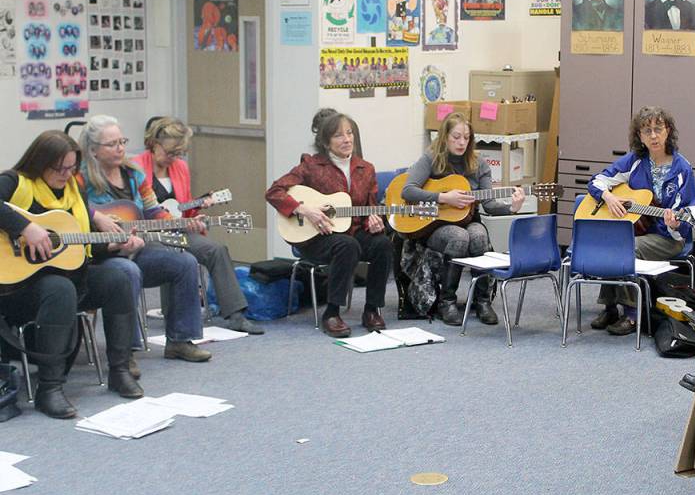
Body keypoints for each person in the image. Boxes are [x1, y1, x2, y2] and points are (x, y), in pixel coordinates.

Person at [0, 131, 144, 418]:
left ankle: (119, 368)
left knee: (119, 277)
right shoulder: (16, 182)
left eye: (71, 168)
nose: (66, 175)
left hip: (69, 278)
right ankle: (50, 388)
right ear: (40, 162)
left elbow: (76, 249)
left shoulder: (73, 191)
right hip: (17, 289)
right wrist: (25, 228)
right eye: (59, 168)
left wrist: (112, 246)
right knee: (59, 288)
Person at [78, 114, 210, 364]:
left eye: (122, 141)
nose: (120, 148)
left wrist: (181, 222)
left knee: (184, 262)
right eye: (112, 144)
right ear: (93, 150)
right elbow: (70, 207)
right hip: (101, 255)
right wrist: (96, 216)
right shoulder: (81, 178)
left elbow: (152, 211)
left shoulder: (134, 174)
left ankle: (180, 340)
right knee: (127, 272)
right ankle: (125, 352)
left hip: (137, 247)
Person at [266, 109, 392, 337]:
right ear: (325, 142)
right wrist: (304, 209)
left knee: (382, 244)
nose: (347, 139)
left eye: (349, 133)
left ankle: (372, 309)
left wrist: (374, 221)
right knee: (347, 245)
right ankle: (332, 312)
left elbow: (370, 209)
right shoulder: (311, 167)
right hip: (315, 237)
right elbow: (274, 191)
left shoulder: (365, 168)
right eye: (338, 135)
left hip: (351, 231)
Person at [132, 117, 263, 334]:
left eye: (178, 153)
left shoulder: (180, 168)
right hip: (148, 234)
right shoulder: (136, 167)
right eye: (170, 152)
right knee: (176, 255)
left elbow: (185, 209)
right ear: (154, 144)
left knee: (216, 250)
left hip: (178, 229)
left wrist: (197, 215)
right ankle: (177, 316)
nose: (174, 158)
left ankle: (236, 314)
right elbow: (134, 209)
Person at [401, 113, 524, 326]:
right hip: (435, 224)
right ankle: (446, 302)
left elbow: (490, 205)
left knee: (478, 235)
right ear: (445, 137)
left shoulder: (479, 164)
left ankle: (482, 301)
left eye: (466, 138)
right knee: (458, 237)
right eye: (456, 137)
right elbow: (408, 191)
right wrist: (443, 197)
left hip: (469, 220)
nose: (461, 142)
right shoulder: (431, 158)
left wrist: (512, 208)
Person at [587, 107, 695, 336]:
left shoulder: (682, 169)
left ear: (668, 131)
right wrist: (608, 196)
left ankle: (631, 313)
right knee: (614, 240)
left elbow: (687, 218)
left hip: (669, 238)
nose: (654, 136)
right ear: (639, 136)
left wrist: (675, 224)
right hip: (640, 231)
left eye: (658, 129)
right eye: (647, 131)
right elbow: (597, 181)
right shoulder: (636, 161)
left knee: (626, 247)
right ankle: (610, 308)